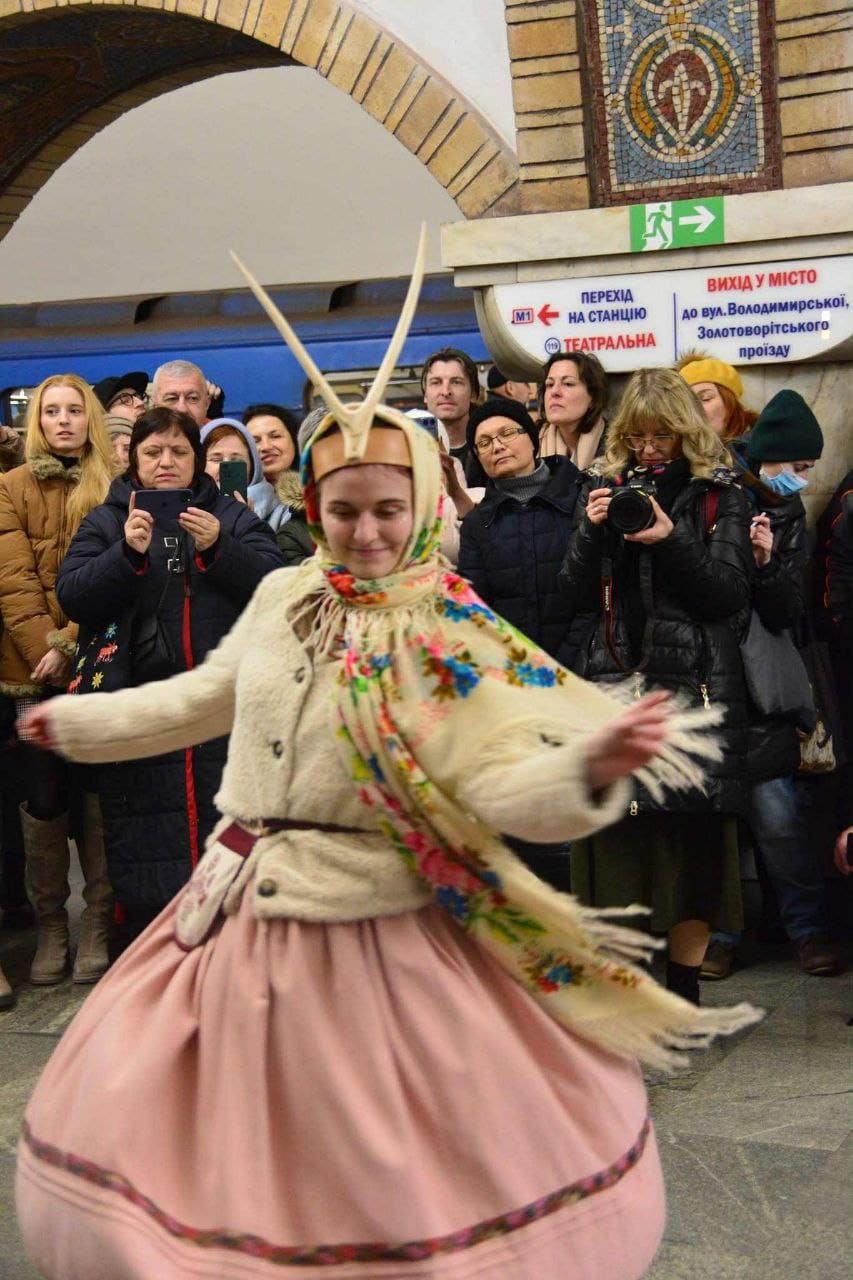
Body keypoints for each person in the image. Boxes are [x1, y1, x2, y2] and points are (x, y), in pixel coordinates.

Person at [14, 248, 758, 1280]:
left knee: (381, 1158)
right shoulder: (283, 595)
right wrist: (76, 725)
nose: (363, 531)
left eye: (386, 509)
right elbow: (202, 697)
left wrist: (589, 769)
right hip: (237, 908)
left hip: (384, 927)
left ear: (419, 507)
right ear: (314, 505)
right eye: (342, 509)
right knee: (207, 1141)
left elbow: (494, 781)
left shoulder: (444, 623)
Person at [54, 407, 284, 950]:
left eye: (179, 452)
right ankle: (154, 953)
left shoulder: (228, 515)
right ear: (133, 460)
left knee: (228, 841)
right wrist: (125, 553)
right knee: (143, 844)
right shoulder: (108, 520)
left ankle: (231, 954)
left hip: (221, 715)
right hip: (143, 712)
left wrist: (220, 548)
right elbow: (73, 596)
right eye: (153, 452)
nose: (166, 462)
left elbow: (279, 585)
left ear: (196, 460)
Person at [560, 368, 753, 1005]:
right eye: (638, 437)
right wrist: (591, 531)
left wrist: (671, 540)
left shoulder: (719, 496)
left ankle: (686, 993)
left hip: (694, 689)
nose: (648, 449)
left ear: (685, 432)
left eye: (662, 436)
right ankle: (630, 993)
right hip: (615, 685)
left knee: (693, 848)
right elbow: (572, 594)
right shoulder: (603, 488)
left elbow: (726, 596)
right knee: (619, 842)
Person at [0, 374, 114, 998]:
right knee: (42, 797)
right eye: (51, 411)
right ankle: (51, 925)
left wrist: (71, 642)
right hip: (29, 670)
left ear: (87, 417)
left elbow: (114, 574)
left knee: (95, 791)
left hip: (97, 662)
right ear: (37, 421)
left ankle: (95, 919)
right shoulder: (9, 486)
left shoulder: (112, 482)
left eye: (73, 410)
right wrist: (46, 647)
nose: (63, 420)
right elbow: (13, 580)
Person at [537, 352, 609, 470]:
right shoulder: (532, 444)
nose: (554, 392)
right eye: (549, 384)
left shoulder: (618, 446)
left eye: (568, 384)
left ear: (593, 397)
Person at [421, 346, 482, 480]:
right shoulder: (409, 448)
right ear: (425, 395)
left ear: (473, 393)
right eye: (436, 382)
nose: (446, 391)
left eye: (456, 382)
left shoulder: (489, 446)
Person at [243, 402, 301, 532]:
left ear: (295, 440)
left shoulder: (316, 491)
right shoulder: (240, 500)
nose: (266, 447)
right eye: (255, 441)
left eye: (275, 436)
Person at [677, 354, 758, 441]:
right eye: (686, 402)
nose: (694, 409)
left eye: (705, 399)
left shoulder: (760, 444)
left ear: (730, 404)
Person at [200, 416, 268, 509]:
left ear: (253, 467)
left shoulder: (284, 511)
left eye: (236, 460)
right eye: (216, 460)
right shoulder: (186, 508)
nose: (227, 467)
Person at [150, 358, 211, 425]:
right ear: (154, 406)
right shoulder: (142, 431)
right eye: (172, 399)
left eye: (192, 398)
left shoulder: (218, 431)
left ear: (206, 404)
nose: (182, 409)